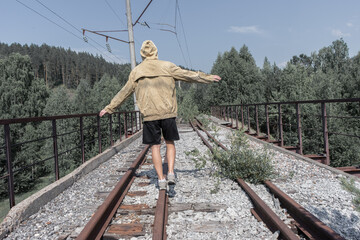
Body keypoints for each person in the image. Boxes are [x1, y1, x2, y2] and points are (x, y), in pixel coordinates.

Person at [99, 40, 221, 190]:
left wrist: (109, 108)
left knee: (155, 147)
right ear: (156, 51)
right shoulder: (167, 66)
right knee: (170, 143)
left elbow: (124, 92)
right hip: (168, 113)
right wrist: (208, 78)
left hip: (150, 115)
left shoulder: (136, 71)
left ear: (142, 54)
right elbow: (189, 75)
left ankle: (161, 180)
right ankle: (170, 173)